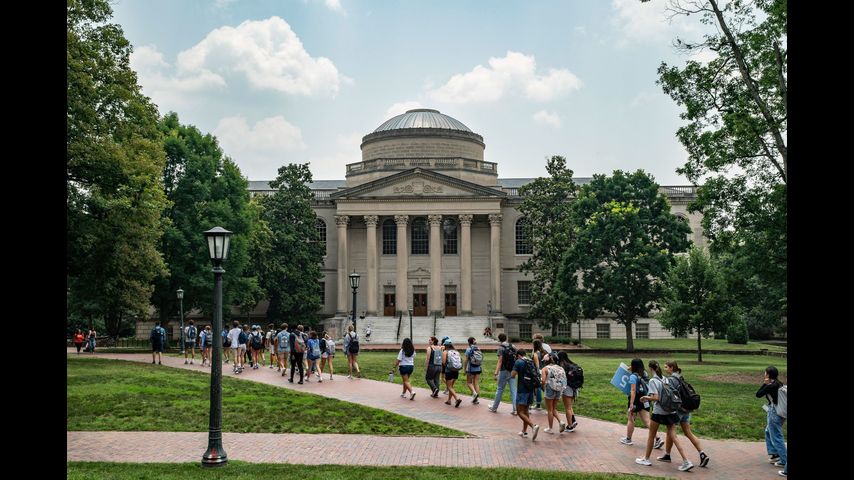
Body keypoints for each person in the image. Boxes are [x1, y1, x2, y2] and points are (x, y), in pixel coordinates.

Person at [635, 360, 694, 472]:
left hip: (659, 412)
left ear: (650, 368)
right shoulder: (665, 379)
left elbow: (656, 398)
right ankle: (686, 461)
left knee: (651, 435)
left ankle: (646, 459)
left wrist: (645, 398)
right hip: (670, 411)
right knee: (674, 436)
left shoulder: (653, 381)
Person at [660, 361, 709, 468]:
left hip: (678, 410)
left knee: (670, 431)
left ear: (671, 368)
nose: (664, 369)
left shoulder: (672, 380)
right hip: (687, 410)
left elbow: (670, 396)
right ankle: (702, 454)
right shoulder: (680, 378)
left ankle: (671, 456)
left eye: (666, 367)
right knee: (688, 433)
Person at [620, 358, 663, 449]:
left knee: (631, 419)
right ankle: (658, 438)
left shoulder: (633, 377)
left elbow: (633, 390)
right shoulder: (644, 374)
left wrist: (631, 403)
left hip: (635, 400)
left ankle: (628, 439)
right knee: (647, 421)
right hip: (645, 398)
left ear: (633, 366)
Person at [756, 365, 787, 477]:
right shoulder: (779, 383)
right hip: (780, 412)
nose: (764, 374)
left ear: (768, 375)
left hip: (774, 413)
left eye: (765, 373)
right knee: (768, 431)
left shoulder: (771, 385)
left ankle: (784, 460)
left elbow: (758, 394)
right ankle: (775, 453)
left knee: (777, 436)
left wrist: (765, 383)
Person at [511, 349, 539, 440]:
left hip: (522, 390)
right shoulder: (530, 361)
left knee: (519, 412)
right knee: (526, 411)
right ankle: (524, 431)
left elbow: (513, 375)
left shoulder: (518, 362)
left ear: (518, 355)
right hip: (530, 389)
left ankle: (533, 426)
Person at [488, 333, 517, 415]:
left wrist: (496, 372)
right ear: (506, 338)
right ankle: (515, 409)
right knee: (513, 390)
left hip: (504, 370)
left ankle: (494, 407)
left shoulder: (501, 348)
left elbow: (500, 361)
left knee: (500, 389)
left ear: (499, 339)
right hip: (512, 370)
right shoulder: (513, 346)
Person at [556, 351, 580, 433]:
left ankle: (570, 426)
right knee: (569, 407)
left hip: (567, 388)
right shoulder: (573, 364)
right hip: (575, 388)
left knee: (567, 408)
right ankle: (573, 421)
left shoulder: (562, 367)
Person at [442, 340, 463, 408]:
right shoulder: (456, 351)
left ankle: (457, 399)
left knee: (449, 387)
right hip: (456, 370)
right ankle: (449, 400)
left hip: (449, 371)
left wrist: (446, 367)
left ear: (445, 345)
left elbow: (444, 362)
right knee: (451, 387)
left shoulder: (445, 352)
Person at [464, 336, 482, 404]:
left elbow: (466, 360)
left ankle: (474, 394)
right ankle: (476, 399)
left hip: (471, 369)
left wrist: (464, 369)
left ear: (468, 342)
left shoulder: (468, 349)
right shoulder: (478, 348)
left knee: (469, 382)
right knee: (476, 383)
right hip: (478, 368)